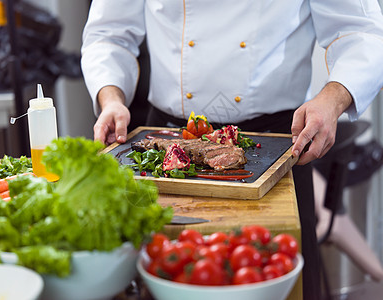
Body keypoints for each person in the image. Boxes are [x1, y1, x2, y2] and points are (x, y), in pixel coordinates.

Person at [81, 1, 383, 299]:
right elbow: (109, 34)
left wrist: (332, 99)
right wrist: (111, 99)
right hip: (165, 145)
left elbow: (363, 33)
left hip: (276, 145)